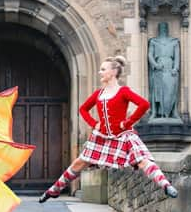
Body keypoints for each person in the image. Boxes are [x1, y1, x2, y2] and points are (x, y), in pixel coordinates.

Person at [39, 56, 178, 203]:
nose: (100, 72)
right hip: (102, 137)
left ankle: (166, 185)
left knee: (142, 160)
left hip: (122, 136)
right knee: (78, 163)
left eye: (103, 69)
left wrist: (128, 122)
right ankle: (54, 190)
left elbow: (144, 104)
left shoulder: (123, 91)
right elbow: (83, 109)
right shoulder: (98, 94)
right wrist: (94, 124)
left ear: (113, 72)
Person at [147, 22, 181, 120]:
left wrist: (175, 68)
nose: (163, 29)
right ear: (159, 29)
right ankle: (154, 112)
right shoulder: (154, 41)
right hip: (158, 68)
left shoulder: (174, 41)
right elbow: (150, 55)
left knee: (171, 91)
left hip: (170, 68)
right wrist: (155, 65)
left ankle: (173, 111)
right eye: (161, 28)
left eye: (165, 28)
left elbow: (177, 56)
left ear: (167, 29)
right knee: (156, 91)